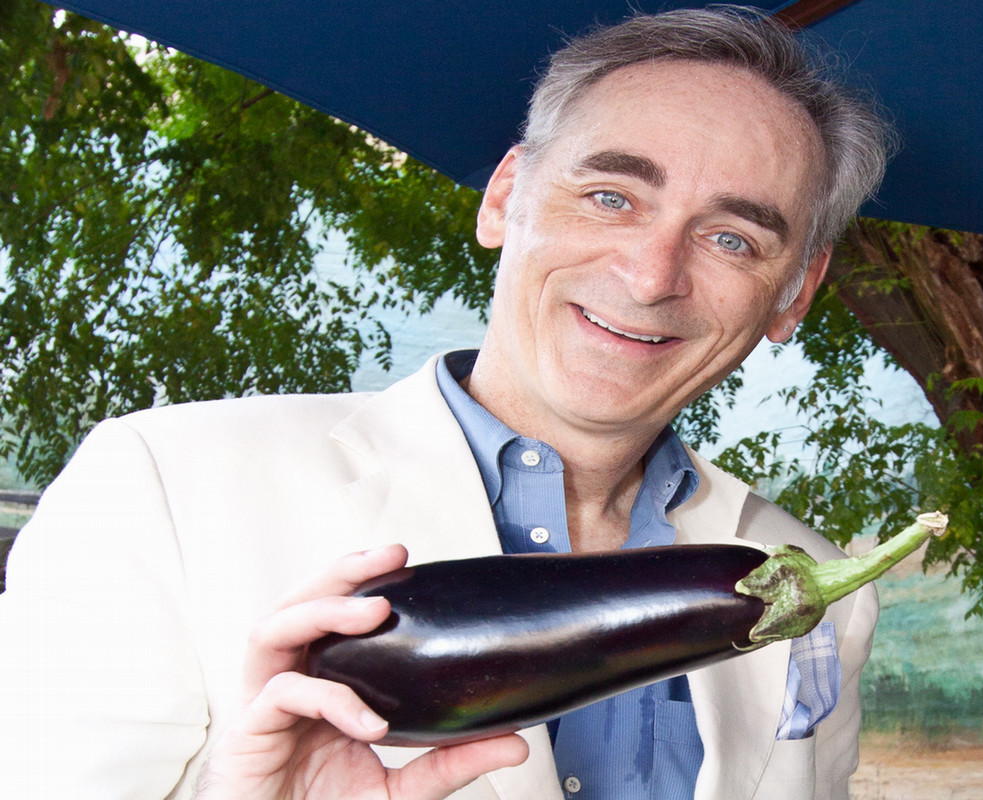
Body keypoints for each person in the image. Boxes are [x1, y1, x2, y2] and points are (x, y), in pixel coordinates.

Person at [0, 7, 894, 800]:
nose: (652, 274)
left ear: (795, 293)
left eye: (733, 238)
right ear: (505, 198)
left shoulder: (816, 585)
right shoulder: (160, 486)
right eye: (611, 195)